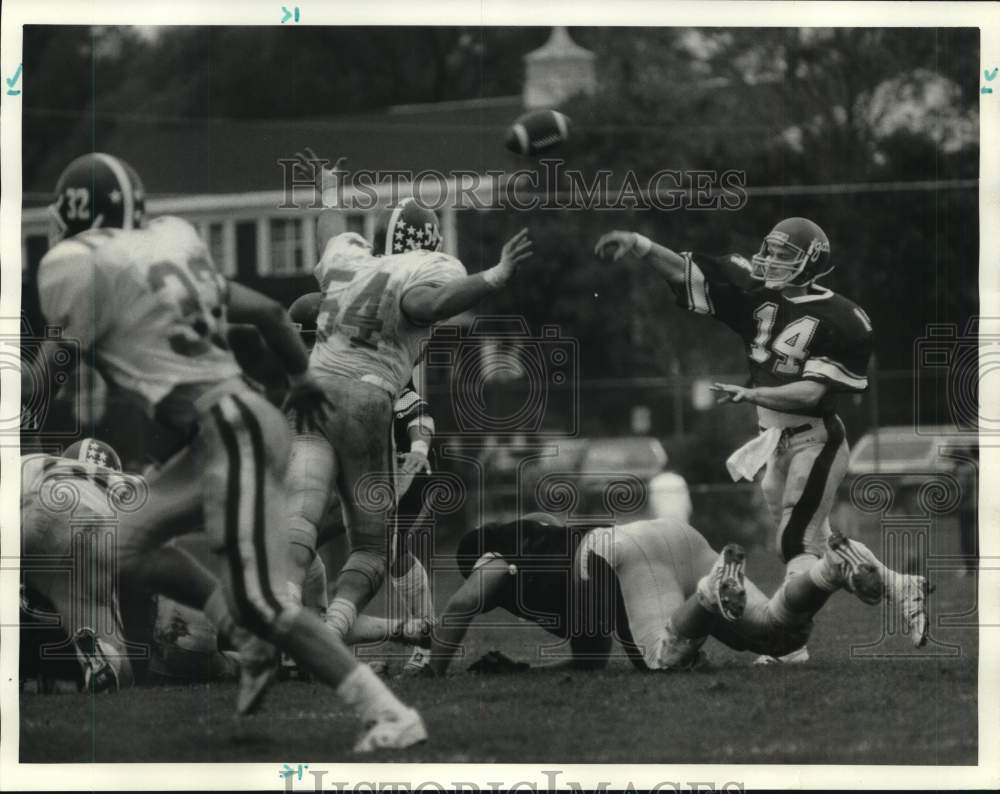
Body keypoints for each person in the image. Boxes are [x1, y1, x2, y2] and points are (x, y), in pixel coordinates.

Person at [34, 152, 424, 751]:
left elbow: (43, 379)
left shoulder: (83, 271)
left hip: (233, 433)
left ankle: (388, 712)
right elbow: (269, 313)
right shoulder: (172, 251)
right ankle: (242, 633)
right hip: (236, 427)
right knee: (124, 542)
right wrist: (301, 379)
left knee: (266, 603)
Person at [594, 219, 931, 657]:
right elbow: (684, 271)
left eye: (783, 255)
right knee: (822, 539)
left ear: (812, 265)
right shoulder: (756, 291)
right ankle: (900, 586)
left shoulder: (844, 319)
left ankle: (786, 644)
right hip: (775, 442)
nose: (769, 260)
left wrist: (755, 392)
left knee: (795, 543)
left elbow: (813, 392)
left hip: (816, 439)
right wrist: (639, 244)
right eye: (769, 250)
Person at [284, 149, 533, 651]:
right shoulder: (425, 270)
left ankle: (284, 607)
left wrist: (329, 189)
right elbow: (430, 303)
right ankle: (331, 631)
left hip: (310, 395)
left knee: (300, 519)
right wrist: (494, 277)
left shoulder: (353, 259)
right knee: (374, 549)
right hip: (364, 399)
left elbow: (329, 232)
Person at [425, 513, 886, 675]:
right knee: (778, 638)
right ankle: (830, 570)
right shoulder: (546, 550)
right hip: (667, 538)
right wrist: (527, 669)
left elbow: (464, 602)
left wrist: (434, 670)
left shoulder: (497, 558)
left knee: (662, 658)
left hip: (623, 553)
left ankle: (709, 593)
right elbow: (590, 657)